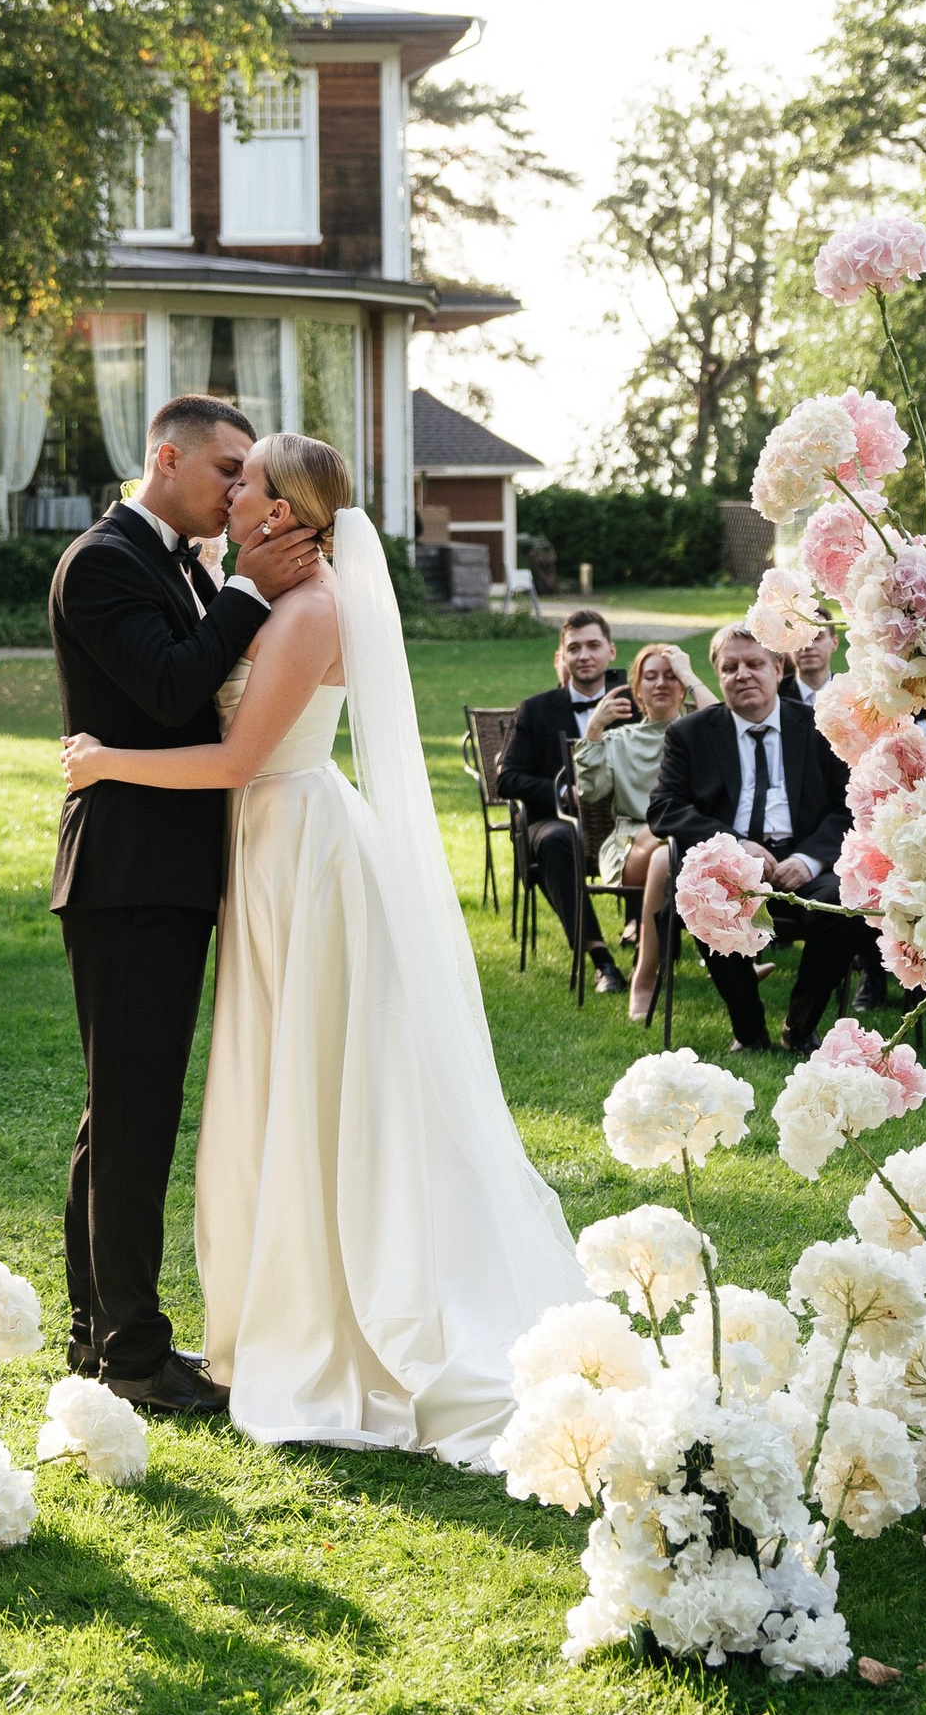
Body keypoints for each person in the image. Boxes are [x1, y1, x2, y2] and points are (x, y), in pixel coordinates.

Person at [63, 431, 586, 1461]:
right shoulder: (262, 588)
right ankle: (253, 1309)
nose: (230, 494)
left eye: (245, 482)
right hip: (267, 850)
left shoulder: (308, 608)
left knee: (312, 1079)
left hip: (294, 843)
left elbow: (235, 757)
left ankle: (332, 1314)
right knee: (278, 1075)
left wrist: (104, 762)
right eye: (228, 474)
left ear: (287, 511)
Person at [46, 393, 324, 1413]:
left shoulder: (176, 563)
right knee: (134, 1117)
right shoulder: (104, 561)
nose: (237, 489)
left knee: (118, 1113)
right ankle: (132, 1356)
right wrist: (246, 596)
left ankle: (93, 1331)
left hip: (162, 874)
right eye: (226, 469)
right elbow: (169, 693)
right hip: (127, 875)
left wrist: (226, 588)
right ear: (166, 457)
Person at [647, 622, 872, 1052]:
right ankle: (749, 1033)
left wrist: (809, 859)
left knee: (844, 905)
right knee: (707, 897)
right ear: (718, 676)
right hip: (731, 866)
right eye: (730, 667)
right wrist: (733, 843)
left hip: (804, 860)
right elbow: (664, 807)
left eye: (754, 664)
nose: (742, 674)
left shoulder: (820, 727)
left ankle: (800, 1027)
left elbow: (851, 805)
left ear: (778, 669)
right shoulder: (690, 734)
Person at [498, 609, 634, 992]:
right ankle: (600, 959)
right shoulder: (537, 709)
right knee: (560, 841)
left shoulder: (634, 706)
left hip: (624, 822)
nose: (584, 655)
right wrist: (560, 792)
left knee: (658, 836)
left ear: (611, 651)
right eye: (574, 648)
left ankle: (648, 943)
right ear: (563, 656)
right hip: (554, 822)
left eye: (593, 645)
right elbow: (507, 778)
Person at [572, 641, 701, 1025]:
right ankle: (652, 975)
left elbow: (725, 722)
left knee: (671, 851)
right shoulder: (619, 740)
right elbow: (589, 791)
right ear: (637, 688)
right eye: (650, 677)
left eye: (671, 675)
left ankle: (648, 977)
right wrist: (595, 726)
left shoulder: (700, 731)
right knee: (669, 839)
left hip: (682, 846)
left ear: (684, 684)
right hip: (630, 845)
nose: (661, 683)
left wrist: (693, 675)